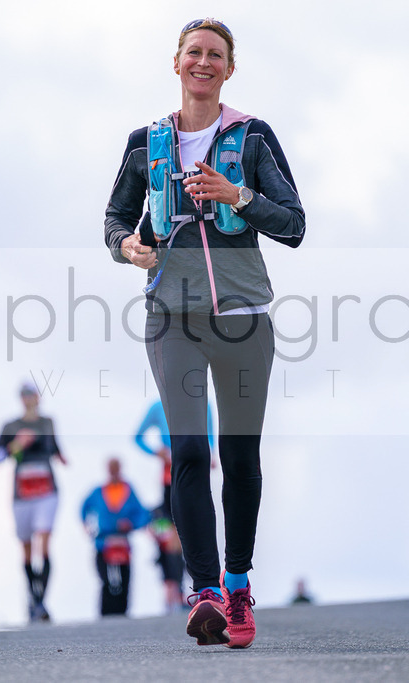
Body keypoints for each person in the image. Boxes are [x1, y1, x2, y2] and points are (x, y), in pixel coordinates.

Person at [104, 18, 305, 648]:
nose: (204, 62)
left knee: (240, 458)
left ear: (228, 69)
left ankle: (239, 585)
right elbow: (115, 221)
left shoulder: (252, 137)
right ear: (176, 63)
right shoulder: (146, 142)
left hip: (244, 319)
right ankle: (205, 591)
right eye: (195, 52)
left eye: (216, 55)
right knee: (190, 449)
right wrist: (128, 247)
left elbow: (294, 224)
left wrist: (235, 194)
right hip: (172, 318)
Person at [0, 381, 67, 622]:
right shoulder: (10, 425)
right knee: (26, 549)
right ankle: (33, 597)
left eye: (31, 394)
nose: (28, 398)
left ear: (38, 397)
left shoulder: (47, 422)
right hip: (22, 494)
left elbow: (55, 447)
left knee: (44, 543)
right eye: (23, 395)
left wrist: (62, 456)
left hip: (47, 491)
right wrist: (17, 444)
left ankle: (40, 601)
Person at [135, 399, 214, 613]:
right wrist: (156, 452)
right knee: (173, 538)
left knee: (195, 531)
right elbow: (137, 437)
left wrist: (212, 454)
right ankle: (179, 593)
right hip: (169, 478)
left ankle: (203, 589)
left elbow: (210, 432)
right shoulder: (157, 406)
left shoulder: (202, 403)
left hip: (196, 474)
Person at [81, 457, 152, 617]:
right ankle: (106, 611)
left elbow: (142, 513)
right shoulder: (98, 491)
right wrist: (85, 524)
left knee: (124, 578)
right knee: (105, 578)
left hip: (122, 541)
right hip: (103, 541)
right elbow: (84, 506)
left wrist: (132, 524)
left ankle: (122, 610)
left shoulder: (128, 490)